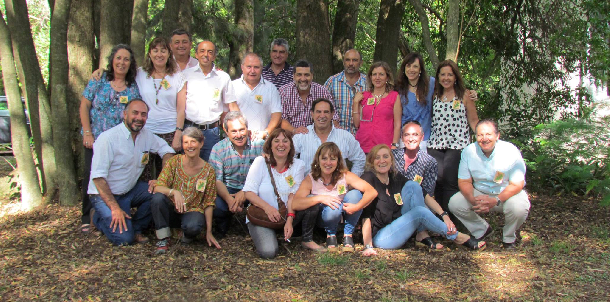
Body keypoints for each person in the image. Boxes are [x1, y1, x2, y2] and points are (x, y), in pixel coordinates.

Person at [360, 144, 486, 256]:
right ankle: (456, 236)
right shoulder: (369, 178)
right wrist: (368, 246)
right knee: (419, 212)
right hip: (382, 236)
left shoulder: (394, 177)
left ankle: (421, 234)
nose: (382, 161)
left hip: (400, 225)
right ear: (371, 162)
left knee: (414, 186)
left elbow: (424, 194)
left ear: (391, 160)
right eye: (377, 157)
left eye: (385, 156)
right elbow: (365, 215)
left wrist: (444, 215)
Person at [88, 99, 175, 246]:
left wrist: (162, 180)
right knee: (124, 240)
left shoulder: (146, 135)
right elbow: (98, 178)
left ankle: (137, 229)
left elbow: (167, 151)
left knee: (158, 193)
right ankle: (97, 218)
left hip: (130, 190)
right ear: (125, 114)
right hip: (104, 195)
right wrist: (114, 208)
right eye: (135, 113)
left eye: (143, 114)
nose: (139, 118)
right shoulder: (108, 138)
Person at [79, 44, 141, 234]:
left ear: (131, 64)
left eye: (126, 59)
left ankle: (106, 213)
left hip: (119, 142)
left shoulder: (132, 87)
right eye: (119, 58)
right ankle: (86, 216)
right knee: (93, 175)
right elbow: (84, 106)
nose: (122, 62)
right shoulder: (99, 80)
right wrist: (87, 132)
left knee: (112, 177)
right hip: (96, 139)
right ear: (112, 60)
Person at [449, 119, 530, 249]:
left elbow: (517, 183)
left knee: (519, 207)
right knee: (455, 203)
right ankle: (482, 230)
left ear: (497, 135)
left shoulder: (510, 151)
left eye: (488, 134)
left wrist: (496, 200)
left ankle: (509, 237)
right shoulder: (469, 151)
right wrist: (473, 200)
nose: (484, 138)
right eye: (480, 135)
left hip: (506, 193)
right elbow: (464, 181)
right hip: (480, 193)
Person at [243, 129, 323, 258]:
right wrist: (268, 208)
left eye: (285, 141)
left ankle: (305, 238)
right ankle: (271, 234)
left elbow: (294, 196)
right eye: (276, 141)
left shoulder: (298, 165)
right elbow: (249, 192)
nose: (281, 144)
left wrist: (290, 219)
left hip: (285, 215)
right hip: (262, 217)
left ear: (291, 146)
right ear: (270, 145)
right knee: (269, 252)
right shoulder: (260, 162)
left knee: (311, 199)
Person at [293, 142, 377, 252]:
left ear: (338, 161)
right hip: (325, 219)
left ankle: (348, 235)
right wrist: (320, 198)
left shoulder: (345, 175)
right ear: (318, 160)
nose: (328, 163)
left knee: (355, 194)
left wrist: (357, 207)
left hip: (344, 217)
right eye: (324, 158)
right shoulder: (311, 178)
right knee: (333, 209)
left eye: (332, 159)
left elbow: (372, 191)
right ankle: (330, 236)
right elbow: (295, 203)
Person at [151, 127, 221, 254]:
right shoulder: (174, 162)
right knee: (157, 198)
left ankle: (184, 234)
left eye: (193, 142)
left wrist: (209, 231)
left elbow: (209, 202)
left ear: (201, 143)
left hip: (192, 210)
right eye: (186, 142)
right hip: (172, 209)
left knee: (193, 227)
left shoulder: (208, 171)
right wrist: (174, 192)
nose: (190, 146)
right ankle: (163, 238)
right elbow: (158, 186)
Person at [427, 59, 479, 211]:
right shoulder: (435, 95)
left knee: (451, 180)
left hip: (457, 144)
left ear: (456, 77)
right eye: (443, 74)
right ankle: (441, 218)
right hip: (436, 144)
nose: (446, 78)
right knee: (438, 179)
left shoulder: (465, 95)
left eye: (450, 74)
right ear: (438, 77)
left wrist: (484, 137)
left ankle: (453, 219)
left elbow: (474, 120)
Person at [392, 121, 450, 250]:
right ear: (402, 137)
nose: (411, 138)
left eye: (415, 134)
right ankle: (423, 233)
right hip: (392, 202)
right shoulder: (392, 156)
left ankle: (421, 232)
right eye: (407, 135)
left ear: (422, 137)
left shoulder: (429, 162)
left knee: (415, 189)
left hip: (416, 203)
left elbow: (427, 192)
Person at [178, 40, 239, 161]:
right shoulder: (185, 75)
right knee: (188, 168)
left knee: (210, 169)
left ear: (214, 56)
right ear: (196, 54)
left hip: (212, 132)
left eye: (210, 52)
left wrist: (240, 128)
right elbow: (180, 107)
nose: (206, 54)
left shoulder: (223, 77)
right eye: (202, 51)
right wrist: (178, 130)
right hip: (189, 129)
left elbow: (232, 105)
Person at [136, 37, 185, 180]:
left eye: (163, 51)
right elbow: (118, 74)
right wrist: (100, 71)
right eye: (155, 50)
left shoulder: (177, 76)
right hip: (145, 131)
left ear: (169, 54)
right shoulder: (139, 74)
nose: (159, 54)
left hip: (170, 131)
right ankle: (144, 201)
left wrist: (178, 133)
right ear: (149, 54)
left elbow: (181, 109)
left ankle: (163, 202)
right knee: (143, 173)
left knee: (167, 176)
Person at [209, 112, 264, 238]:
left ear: (247, 129)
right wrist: (230, 201)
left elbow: (266, 175)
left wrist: (245, 191)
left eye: (242, 130)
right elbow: (217, 180)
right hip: (229, 189)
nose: (239, 135)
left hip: (254, 188)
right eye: (234, 131)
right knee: (218, 205)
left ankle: (258, 227)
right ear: (226, 131)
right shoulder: (218, 149)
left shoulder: (259, 145)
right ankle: (222, 225)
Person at [293, 98, 366, 176]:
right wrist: (298, 181)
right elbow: (287, 159)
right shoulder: (301, 136)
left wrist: (351, 182)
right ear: (312, 114)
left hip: (338, 186)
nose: (322, 115)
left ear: (332, 114)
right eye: (318, 112)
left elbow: (360, 159)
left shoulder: (345, 136)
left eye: (326, 112)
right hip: (309, 185)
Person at [353, 61, 402, 153]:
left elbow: (397, 124)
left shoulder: (394, 96)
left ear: (387, 77)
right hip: (363, 146)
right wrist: (356, 103)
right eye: (374, 74)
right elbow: (357, 124)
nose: (377, 77)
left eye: (381, 74)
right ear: (370, 77)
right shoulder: (364, 96)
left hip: (384, 148)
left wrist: (395, 145)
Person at [279, 60, 338, 134]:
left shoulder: (322, 92)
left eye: (306, 75)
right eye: (299, 75)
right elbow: (281, 119)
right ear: (293, 76)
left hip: (317, 137)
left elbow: (334, 117)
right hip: (291, 137)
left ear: (312, 76)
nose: (303, 79)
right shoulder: (283, 92)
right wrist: (295, 130)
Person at [232, 53, 281, 140]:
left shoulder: (271, 88)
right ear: (242, 67)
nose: (252, 71)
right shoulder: (232, 87)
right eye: (249, 67)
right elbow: (225, 114)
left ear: (262, 68)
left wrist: (266, 132)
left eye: (256, 67)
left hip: (263, 140)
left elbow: (276, 114)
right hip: (238, 139)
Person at [395, 53, 435, 151]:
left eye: (415, 66)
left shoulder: (431, 83)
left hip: (425, 140)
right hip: (405, 140)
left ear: (420, 69)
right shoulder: (398, 88)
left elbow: (450, 88)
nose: (411, 69)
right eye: (408, 66)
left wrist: (470, 93)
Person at [324, 49, 367, 135]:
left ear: (361, 63)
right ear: (343, 62)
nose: (351, 63)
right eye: (348, 60)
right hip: (336, 135)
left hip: (362, 136)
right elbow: (323, 106)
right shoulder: (332, 82)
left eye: (355, 60)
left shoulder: (368, 83)